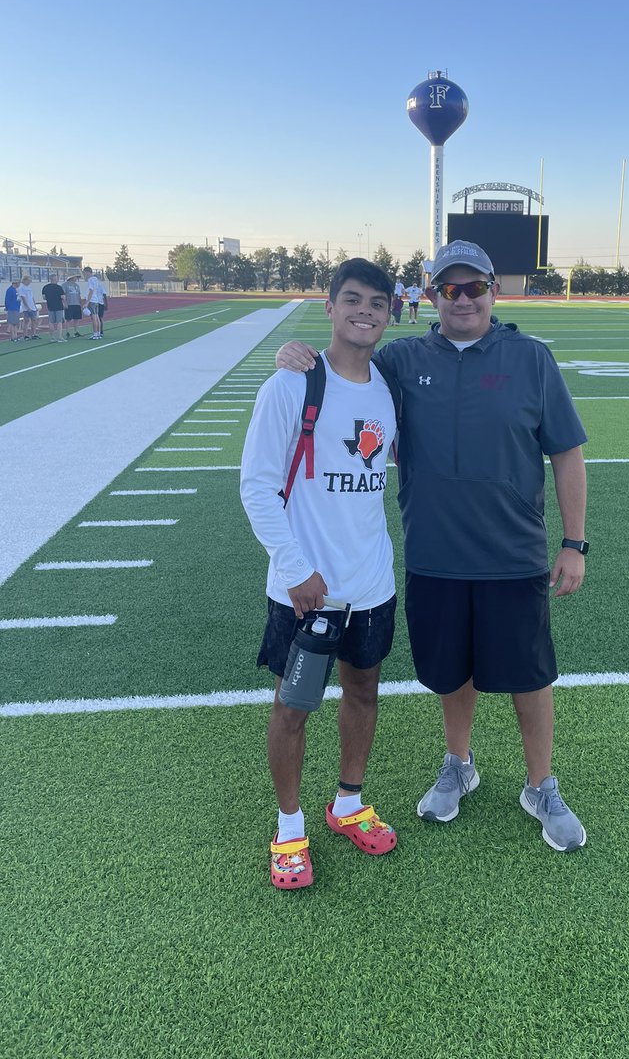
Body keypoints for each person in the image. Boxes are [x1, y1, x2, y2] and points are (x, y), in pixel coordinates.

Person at [277, 239, 590, 853]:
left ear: (493, 290)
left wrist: (574, 542)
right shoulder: (400, 360)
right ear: (430, 295)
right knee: (453, 672)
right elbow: (348, 372)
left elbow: (567, 454)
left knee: (530, 674)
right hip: (434, 555)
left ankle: (541, 784)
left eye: (475, 287)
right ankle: (458, 764)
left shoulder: (531, 358)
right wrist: (301, 359)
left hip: (513, 553)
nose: (464, 299)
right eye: (450, 288)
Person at [241, 257, 400, 890]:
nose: (365, 311)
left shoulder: (389, 388)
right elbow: (256, 487)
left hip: (371, 584)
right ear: (329, 306)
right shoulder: (291, 384)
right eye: (353, 300)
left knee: (364, 694)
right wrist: (296, 567)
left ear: (391, 313)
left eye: (378, 303)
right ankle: (288, 827)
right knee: (294, 705)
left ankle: (347, 804)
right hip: (307, 591)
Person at [41, 273, 66, 343]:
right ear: (56, 279)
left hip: (50, 306)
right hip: (59, 307)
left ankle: (52, 337)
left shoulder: (45, 287)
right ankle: (60, 337)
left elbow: (44, 297)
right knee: (59, 322)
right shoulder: (59, 288)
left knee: (51, 322)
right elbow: (63, 297)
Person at [82, 267, 105, 340]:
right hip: (96, 300)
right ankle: (98, 333)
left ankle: (95, 334)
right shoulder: (95, 279)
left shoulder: (90, 279)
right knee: (97, 317)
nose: (84, 274)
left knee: (94, 318)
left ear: (88, 272)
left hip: (92, 300)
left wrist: (87, 302)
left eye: (85, 273)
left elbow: (91, 291)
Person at [17, 275, 39, 340]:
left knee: (34, 320)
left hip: (32, 307)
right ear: (25, 280)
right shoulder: (21, 288)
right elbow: (23, 298)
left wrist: (35, 306)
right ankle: (25, 335)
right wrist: (27, 307)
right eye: (29, 280)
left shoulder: (29, 288)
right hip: (27, 308)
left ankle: (34, 334)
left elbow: (32, 297)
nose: (30, 282)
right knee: (26, 321)